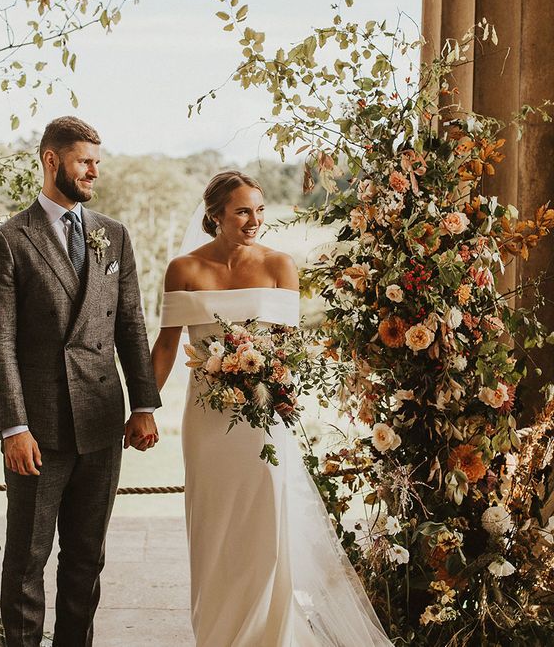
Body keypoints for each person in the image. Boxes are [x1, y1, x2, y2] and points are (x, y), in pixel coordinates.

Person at [151, 171, 392, 646]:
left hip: (262, 420)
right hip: (206, 422)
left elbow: (286, 349)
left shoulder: (280, 265)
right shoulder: (184, 269)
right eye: (242, 211)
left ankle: (269, 637)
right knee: (213, 527)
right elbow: (164, 347)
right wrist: (142, 409)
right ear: (216, 215)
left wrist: (271, 381)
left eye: (259, 210)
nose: (253, 220)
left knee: (264, 524)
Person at [0, 116, 161, 647]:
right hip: (39, 431)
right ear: (51, 160)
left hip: (103, 422)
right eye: (85, 162)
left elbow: (130, 323)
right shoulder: (8, 241)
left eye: (97, 164)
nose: (93, 173)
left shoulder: (114, 235)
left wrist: (144, 405)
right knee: (28, 560)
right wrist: (13, 427)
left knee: (85, 560)